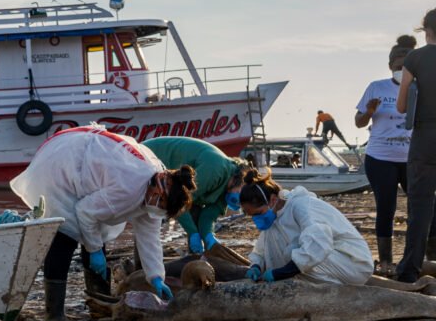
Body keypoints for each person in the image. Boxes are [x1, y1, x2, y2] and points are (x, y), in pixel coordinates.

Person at [9, 124, 196, 321]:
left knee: (95, 237)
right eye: (160, 205)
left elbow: (149, 237)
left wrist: (157, 277)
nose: (158, 209)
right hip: (61, 163)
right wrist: (95, 250)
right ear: (161, 191)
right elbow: (85, 212)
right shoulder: (129, 187)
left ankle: (99, 305)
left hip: (86, 165)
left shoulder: (156, 186)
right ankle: (54, 317)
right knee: (66, 235)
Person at [354, 35, 420, 275]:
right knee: (386, 208)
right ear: (390, 66)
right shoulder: (376, 87)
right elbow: (359, 122)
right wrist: (369, 110)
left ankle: (416, 259)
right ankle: (386, 262)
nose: (400, 71)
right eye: (397, 67)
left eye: (405, 67)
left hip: (412, 158)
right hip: (380, 159)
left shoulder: (419, 87)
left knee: (419, 208)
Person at [239, 169, 372, 285]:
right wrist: (256, 265)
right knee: (286, 249)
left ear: (273, 200)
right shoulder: (275, 216)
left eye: (258, 213)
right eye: (252, 216)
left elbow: (319, 244)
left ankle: (331, 291)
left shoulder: (301, 206)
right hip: (333, 262)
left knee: (292, 251)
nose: (256, 219)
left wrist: (283, 272)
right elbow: (262, 248)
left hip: (353, 264)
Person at [144, 136, 251, 255]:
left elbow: (208, 216)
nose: (239, 201)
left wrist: (209, 236)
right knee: (146, 217)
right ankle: (142, 266)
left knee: (194, 214)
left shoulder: (227, 190)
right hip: (151, 157)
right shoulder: (216, 170)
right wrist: (193, 232)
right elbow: (179, 199)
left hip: (176, 184)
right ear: (242, 178)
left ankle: (195, 257)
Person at [395, 9, 436, 282]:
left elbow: (401, 106)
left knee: (419, 208)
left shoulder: (415, 57)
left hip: (424, 140)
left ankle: (410, 271)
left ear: (424, 29)